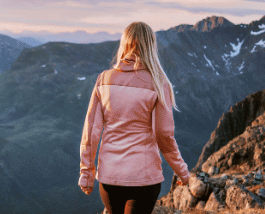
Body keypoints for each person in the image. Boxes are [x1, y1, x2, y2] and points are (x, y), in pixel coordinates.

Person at [79, 22, 190, 214]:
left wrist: (86, 174)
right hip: (144, 179)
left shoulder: (104, 79)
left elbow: (91, 132)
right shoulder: (159, 83)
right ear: (151, 46)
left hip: (110, 178)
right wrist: (182, 171)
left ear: (124, 43)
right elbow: (164, 135)